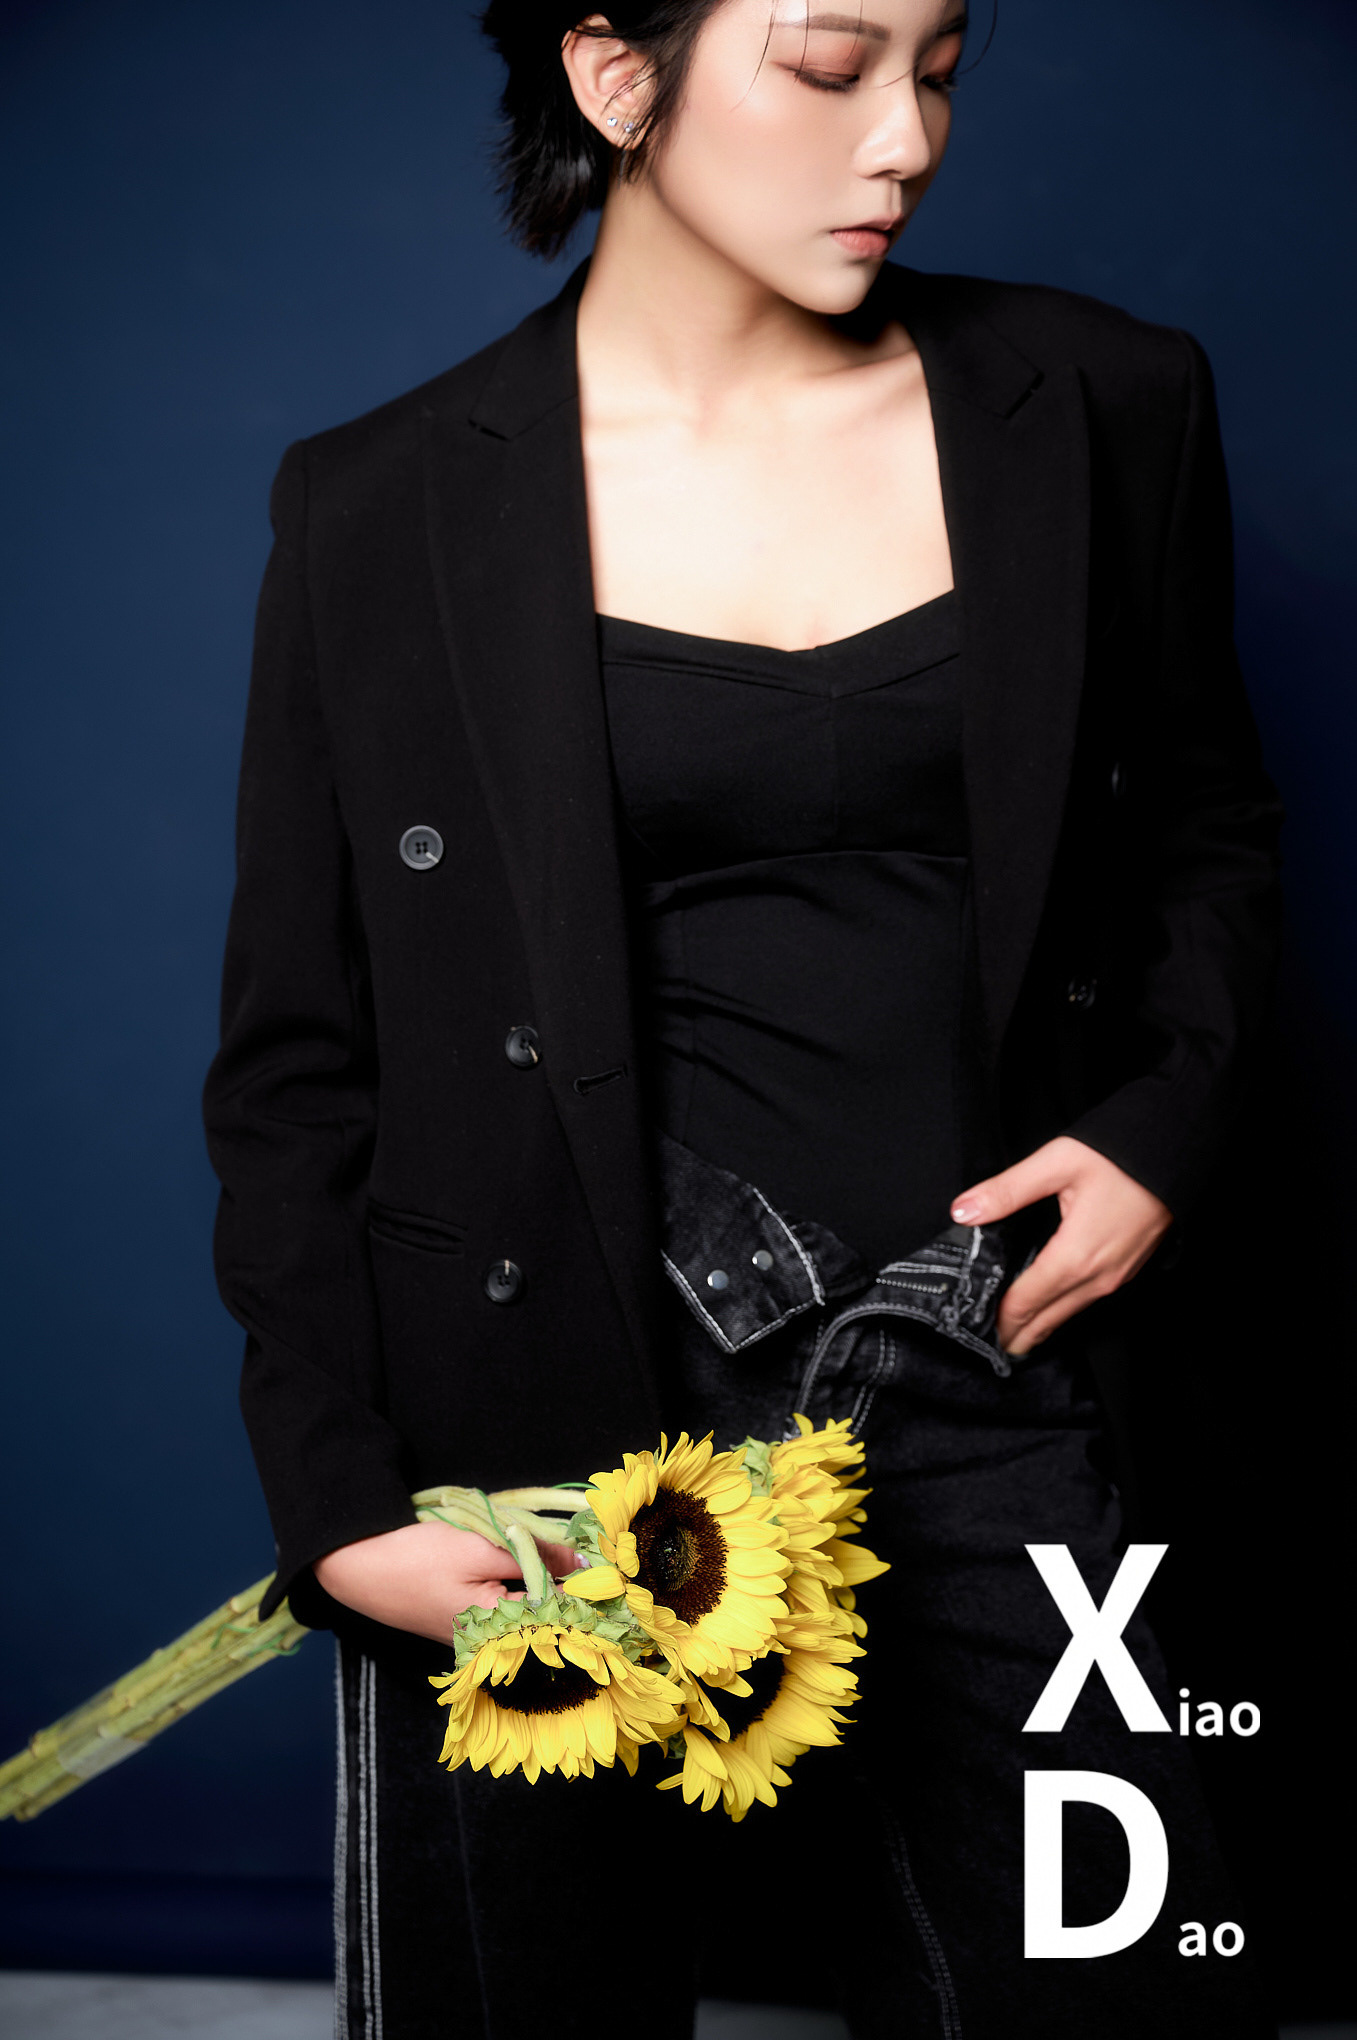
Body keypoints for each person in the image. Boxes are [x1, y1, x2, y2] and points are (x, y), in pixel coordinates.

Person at [202, 1, 1284, 2034]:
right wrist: (336, 1497)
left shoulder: (1101, 401)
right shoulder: (376, 505)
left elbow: (1208, 830)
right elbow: (298, 1057)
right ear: (617, 77)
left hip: (996, 1353)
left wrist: (1166, 1119)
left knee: (1119, 1988)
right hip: (553, 1423)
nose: (908, 141)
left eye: (937, 68)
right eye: (830, 65)